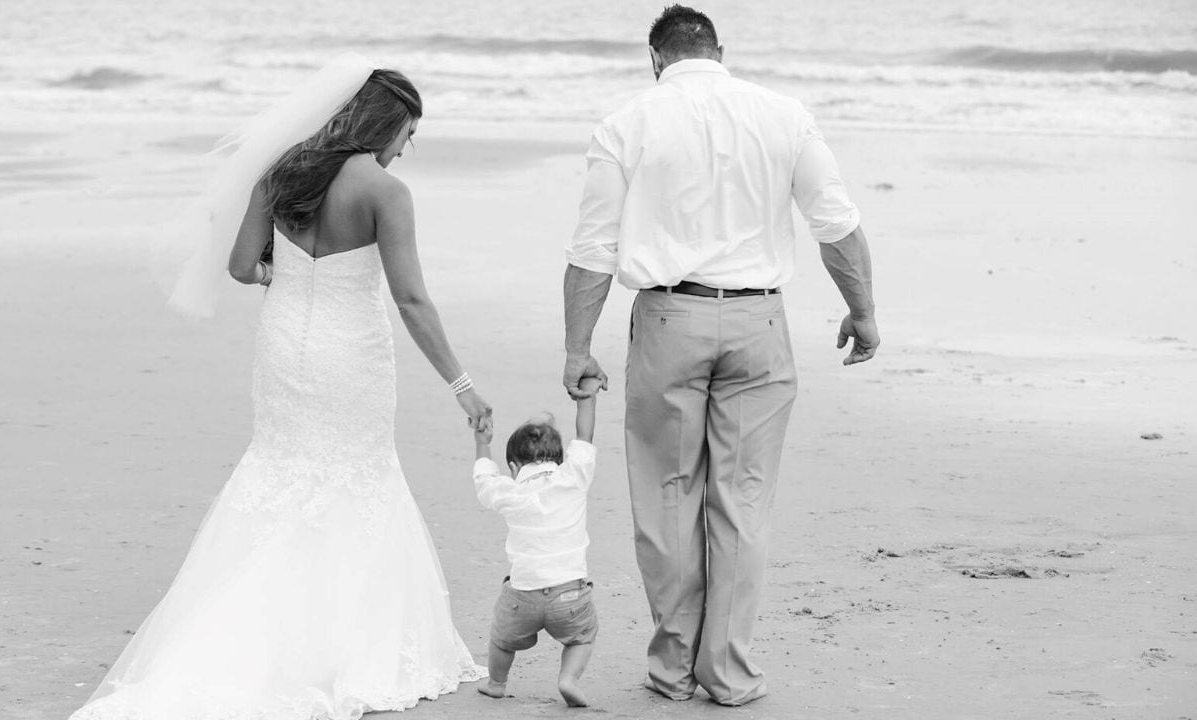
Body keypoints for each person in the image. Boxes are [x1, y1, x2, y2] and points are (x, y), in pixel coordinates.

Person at [69, 62, 491, 719]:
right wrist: (462, 385)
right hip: (353, 356)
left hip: (285, 349)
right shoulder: (386, 192)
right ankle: (338, 644)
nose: (407, 146)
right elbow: (411, 298)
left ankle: (243, 630)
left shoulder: (284, 172)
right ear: (386, 123)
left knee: (281, 470)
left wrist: (284, 274)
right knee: (355, 476)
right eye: (409, 131)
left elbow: (241, 267)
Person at [562, 4, 880, 708]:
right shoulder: (783, 115)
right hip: (757, 320)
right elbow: (836, 223)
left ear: (655, 59)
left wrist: (576, 347)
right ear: (720, 50)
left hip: (668, 316)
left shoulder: (624, 124)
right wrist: (862, 311)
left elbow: (592, 250)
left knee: (667, 496)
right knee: (743, 502)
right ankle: (728, 673)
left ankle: (672, 669)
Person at [470, 379, 602, 708]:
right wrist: (587, 398)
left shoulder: (510, 491)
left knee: (502, 640)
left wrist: (482, 442)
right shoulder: (573, 478)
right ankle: (568, 678)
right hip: (570, 595)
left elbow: (484, 482)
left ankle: (497, 683)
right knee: (582, 636)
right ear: (559, 459)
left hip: (522, 595)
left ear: (514, 467)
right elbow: (584, 438)